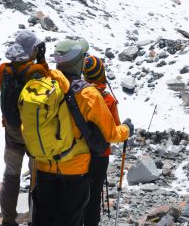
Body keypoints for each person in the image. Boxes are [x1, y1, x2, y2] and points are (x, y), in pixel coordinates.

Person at [32, 38, 133, 226]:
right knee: (70, 218)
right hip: (74, 168)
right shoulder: (87, 94)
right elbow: (111, 134)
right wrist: (127, 130)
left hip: (44, 165)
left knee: (44, 218)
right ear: (78, 62)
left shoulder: (43, 83)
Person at [0, 30, 49, 226]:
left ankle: (8, 218)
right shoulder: (36, 71)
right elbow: (49, 85)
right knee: (35, 173)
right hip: (32, 130)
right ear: (31, 49)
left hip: (11, 128)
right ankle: (34, 217)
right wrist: (42, 60)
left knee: (11, 171)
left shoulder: (4, 69)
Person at [82, 55, 125, 226]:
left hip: (79, 153)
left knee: (78, 194)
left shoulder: (79, 94)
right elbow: (114, 130)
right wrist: (126, 130)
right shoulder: (107, 99)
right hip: (100, 156)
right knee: (94, 197)